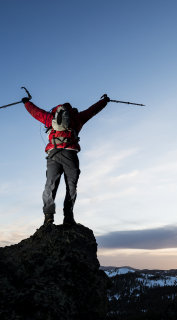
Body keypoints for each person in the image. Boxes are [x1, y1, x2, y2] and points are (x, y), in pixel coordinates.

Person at [21, 94, 110, 226]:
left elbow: (36, 112)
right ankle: (68, 217)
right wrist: (104, 101)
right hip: (70, 154)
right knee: (71, 187)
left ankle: (48, 217)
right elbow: (92, 111)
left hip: (53, 154)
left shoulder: (50, 117)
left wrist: (26, 103)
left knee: (50, 185)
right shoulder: (77, 118)